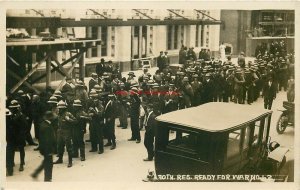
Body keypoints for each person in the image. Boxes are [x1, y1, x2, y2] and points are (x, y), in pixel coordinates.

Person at [31, 111, 55, 182]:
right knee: (49, 165)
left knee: (46, 162)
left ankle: (36, 173)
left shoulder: (44, 124)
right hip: (48, 149)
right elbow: (47, 141)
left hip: (45, 149)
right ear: (50, 117)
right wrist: (50, 151)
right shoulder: (47, 127)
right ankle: (47, 179)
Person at [53, 101, 76, 168]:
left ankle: (70, 161)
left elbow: (75, 121)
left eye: (61, 108)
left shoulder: (68, 114)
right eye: (59, 108)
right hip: (60, 131)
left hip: (67, 132)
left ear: (64, 108)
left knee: (69, 147)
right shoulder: (58, 114)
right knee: (59, 146)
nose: (59, 109)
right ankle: (60, 159)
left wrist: (69, 120)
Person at [8, 100, 27, 172]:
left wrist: (22, 134)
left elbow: (25, 126)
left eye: (13, 108)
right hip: (13, 135)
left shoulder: (21, 115)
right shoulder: (10, 114)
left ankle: (22, 164)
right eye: (11, 108)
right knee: (12, 149)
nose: (12, 109)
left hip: (20, 135)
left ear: (16, 108)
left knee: (21, 149)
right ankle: (12, 162)